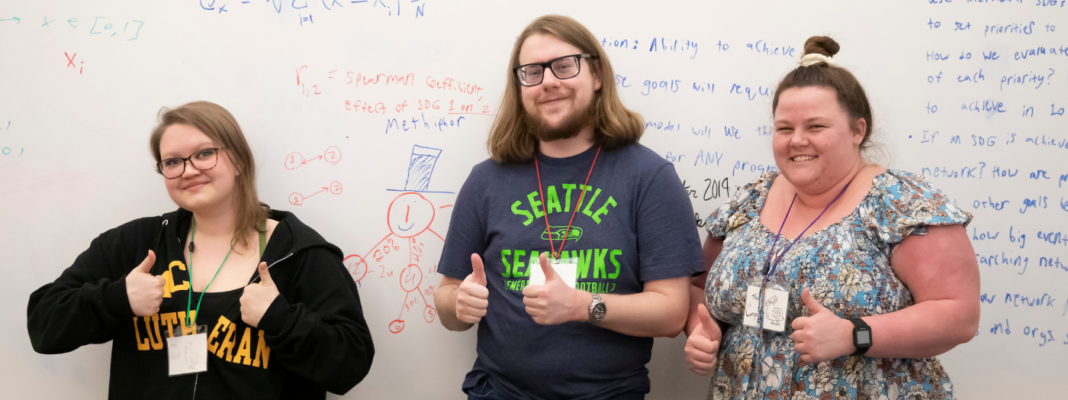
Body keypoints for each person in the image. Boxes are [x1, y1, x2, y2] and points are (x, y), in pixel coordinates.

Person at [683, 37, 980, 400]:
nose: (797, 141)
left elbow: (958, 314)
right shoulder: (749, 202)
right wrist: (703, 329)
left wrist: (853, 334)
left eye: (816, 127)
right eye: (785, 128)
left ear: (858, 130)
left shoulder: (901, 202)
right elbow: (698, 288)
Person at [433, 15, 705, 400]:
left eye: (564, 66)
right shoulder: (486, 181)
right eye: (532, 72)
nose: (548, 81)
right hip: (499, 391)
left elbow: (671, 312)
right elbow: (446, 300)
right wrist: (459, 303)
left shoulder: (650, 176)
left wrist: (582, 306)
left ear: (596, 75)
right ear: (520, 86)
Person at [27, 101, 374, 400]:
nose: (189, 170)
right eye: (173, 161)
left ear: (237, 159)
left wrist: (281, 319)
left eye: (205, 153)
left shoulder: (301, 253)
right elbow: (43, 323)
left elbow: (351, 364)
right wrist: (117, 299)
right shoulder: (135, 244)